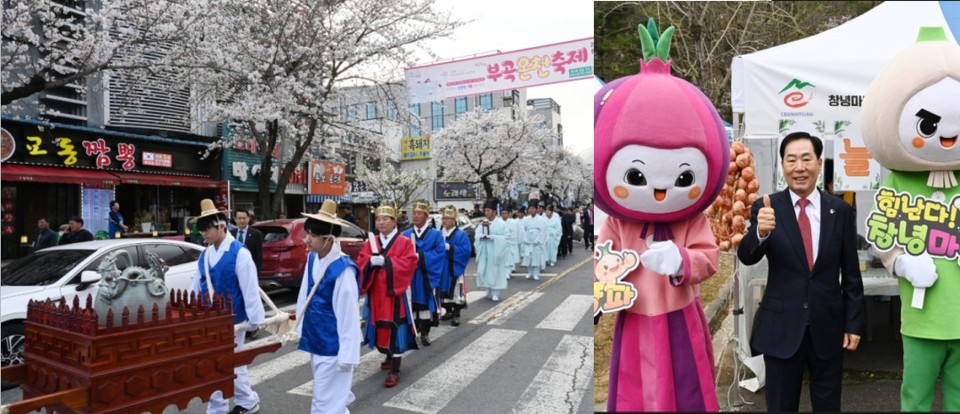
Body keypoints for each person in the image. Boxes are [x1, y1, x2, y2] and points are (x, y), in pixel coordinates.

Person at [594, 20, 726, 411]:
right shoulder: (619, 220)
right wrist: (599, 299)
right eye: (636, 175)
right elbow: (603, 261)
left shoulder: (689, 219)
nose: (659, 190)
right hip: (633, 315)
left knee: (684, 390)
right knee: (636, 390)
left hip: (678, 316)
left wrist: (681, 259)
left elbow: (709, 258)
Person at [858, 28, 960, 412]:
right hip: (922, 319)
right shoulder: (899, 181)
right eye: (929, 126)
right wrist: (901, 261)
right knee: (914, 399)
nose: (947, 136)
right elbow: (882, 234)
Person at [738, 132, 865, 411]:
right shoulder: (767, 207)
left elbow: (851, 274)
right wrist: (760, 232)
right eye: (791, 160)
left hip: (828, 327)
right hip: (781, 328)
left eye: (806, 159)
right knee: (781, 406)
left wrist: (853, 323)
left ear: (819, 163)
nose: (799, 167)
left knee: (828, 405)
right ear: (782, 165)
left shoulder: (840, 211)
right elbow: (746, 256)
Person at [188, 199, 265, 414]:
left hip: (233, 320)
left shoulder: (239, 253)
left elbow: (250, 288)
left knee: (224, 363)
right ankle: (246, 402)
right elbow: (196, 285)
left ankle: (220, 408)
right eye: (200, 230)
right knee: (225, 363)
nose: (203, 234)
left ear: (221, 226)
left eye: (206, 229)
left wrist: (254, 320)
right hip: (209, 319)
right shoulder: (205, 254)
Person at [290, 199, 361, 414]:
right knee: (330, 400)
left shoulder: (343, 269)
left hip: (333, 345)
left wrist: (348, 356)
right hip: (316, 339)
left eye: (312, 235)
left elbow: (348, 315)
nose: (307, 239)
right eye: (307, 233)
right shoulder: (313, 259)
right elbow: (304, 296)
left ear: (329, 239)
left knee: (323, 403)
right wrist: (299, 329)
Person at [357, 203, 419, 388]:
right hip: (377, 293)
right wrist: (369, 262)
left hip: (394, 294)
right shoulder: (372, 242)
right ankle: (388, 354)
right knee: (380, 325)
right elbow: (361, 261)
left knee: (395, 326)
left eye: (385, 219)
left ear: (394, 222)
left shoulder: (404, 242)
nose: (381, 222)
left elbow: (409, 262)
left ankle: (395, 369)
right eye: (378, 219)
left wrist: (387, 261)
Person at [402, 200, 445, 346]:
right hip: (410, 275)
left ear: (426, 216)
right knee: (410, 302)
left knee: (426, 302)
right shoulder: (406, 234)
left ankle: (425, 332)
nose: (415, 216)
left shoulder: (435, 235)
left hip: (426, 275)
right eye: (414, 213)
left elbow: (440, 254)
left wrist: (420, 257)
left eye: (419, 213)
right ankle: (413, 331)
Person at [438, 206, 472, 326]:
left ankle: (456, 313)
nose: (445, 221)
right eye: (443, 218)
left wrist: (451, 248)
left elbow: (466, 250)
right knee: (442, 288)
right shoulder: (439, 233)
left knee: (456, 289)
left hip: (454, 266)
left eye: (448, 218)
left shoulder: (460, 234)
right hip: (442, 266)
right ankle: (448, 310)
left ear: (454, 220)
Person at [473, 199, 510, 301]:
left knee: (495, 270)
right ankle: (488, 289)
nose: (486, 213)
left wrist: (493, 237)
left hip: (495, 250)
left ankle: (495, 292)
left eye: (488, 210)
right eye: (485, 210)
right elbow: (477, 235)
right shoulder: (483, 223)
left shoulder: (501, 224)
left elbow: (506, 237)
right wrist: (481, 237)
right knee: (484, 270)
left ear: (494, 211)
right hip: (485, 249)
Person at [520, 201, 548, 281]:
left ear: (536, 210)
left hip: (536, 241)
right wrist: (525, 238)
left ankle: (536, 273)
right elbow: (523, 230)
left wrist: (538, 240)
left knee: (536, 257)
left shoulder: (541, 219)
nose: (531, 210)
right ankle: (529, 272)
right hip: (528, 240)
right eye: (530, 209)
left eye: (533, 208)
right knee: (528, 257)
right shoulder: (526, 219)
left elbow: (543, 231)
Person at [231, 209, 264, 275]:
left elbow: (258, 256)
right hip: (234, 270)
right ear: (235, 219)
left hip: (249, 270)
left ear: (248, 219)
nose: (242, 220)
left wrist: (256, 273)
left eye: (244, 218)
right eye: (239, 218)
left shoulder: (256, 234)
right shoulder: (231, 233)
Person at [499, 207, 520, 275]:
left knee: (509, 259)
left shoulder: (513, 222)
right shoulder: (498, 222)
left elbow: (514, 233)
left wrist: (509, 240)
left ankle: (508, 272)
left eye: (505, 213)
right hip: (501, 243)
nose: (504, 215)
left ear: (508, 214)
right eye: (502, 213)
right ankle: (503, 272)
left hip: (510, 243)